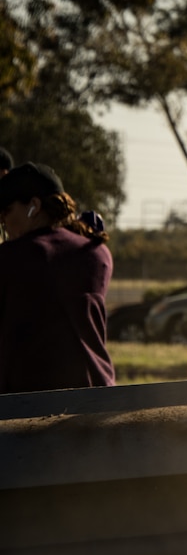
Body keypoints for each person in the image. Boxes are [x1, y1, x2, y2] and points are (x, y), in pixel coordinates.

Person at [0, 162, 116, 393]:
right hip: (96, 396)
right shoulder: (98, 253)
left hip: (24, 405)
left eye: (6, 211)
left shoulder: (10, 258)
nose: (2, 221)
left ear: (34, 206)